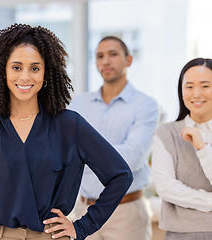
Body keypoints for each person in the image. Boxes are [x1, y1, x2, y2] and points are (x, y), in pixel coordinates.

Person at [0, 23, 133, 240]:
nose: (25, 77)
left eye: (34, 68)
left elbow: (120, 175)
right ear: (3, 72)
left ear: (46, 74)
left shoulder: (70, 126)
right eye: (16, 67)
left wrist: (82, 227)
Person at [69, 36, 159, 240]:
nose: (105, 61)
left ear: (129, 60)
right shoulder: (78, 105)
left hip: (126, 213)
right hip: (84, 211)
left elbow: (132, 158)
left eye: (113, 54)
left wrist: (85, 154)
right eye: (100, 56)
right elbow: (66, 154)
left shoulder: (145, 105)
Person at [152, 58, 212, 240]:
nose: (196, 94)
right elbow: (166, 188)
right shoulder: (166, 133)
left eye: (205, 86)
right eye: (189, 87)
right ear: (181, 90)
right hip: (179, 235)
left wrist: (202, 148)